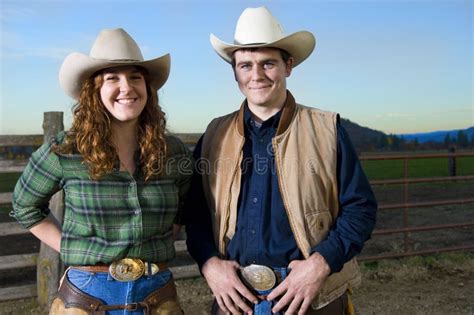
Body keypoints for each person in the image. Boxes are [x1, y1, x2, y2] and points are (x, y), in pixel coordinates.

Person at [184, 7, 377, 315]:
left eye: (268, 63)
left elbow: (361, 208)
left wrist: (320, 264)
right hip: (236, 299)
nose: (256, 75)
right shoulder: (214, 134)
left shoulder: (327, 130)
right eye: (245, 65)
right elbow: (194, 213)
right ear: (234, 72)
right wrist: (210, 264)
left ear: (288, 66)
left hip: (310, 298)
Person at [11, 28, 192, 314]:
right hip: (86, 294)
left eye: (135, 77)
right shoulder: (66, 150)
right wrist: (72, 249)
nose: (127, 87)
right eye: (112, 78)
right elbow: (24, 205)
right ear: (94, 90)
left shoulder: (173, 152)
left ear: (147, 87)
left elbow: (186, 203)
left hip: (156, 294)